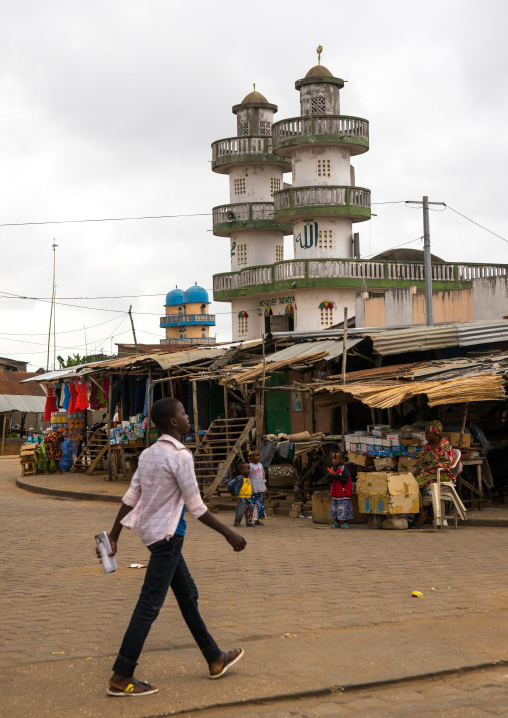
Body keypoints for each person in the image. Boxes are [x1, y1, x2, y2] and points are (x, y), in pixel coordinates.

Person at [98, 397, 246, 697]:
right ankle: (121, 675)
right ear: (173, 423)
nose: (188, 416)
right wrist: (229, 533)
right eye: (183, 413)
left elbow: (130, 497)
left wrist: (114, 536)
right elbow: (197, 507)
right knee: (148, 607)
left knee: (187, 596)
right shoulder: (181, 457)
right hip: (169, 539)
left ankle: (215, 658)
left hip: (157, 538)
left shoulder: (149, 454)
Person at [411, 420, 454, 528]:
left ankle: (422, 513)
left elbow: (447, 463)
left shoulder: (444, 445)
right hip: (428, 473)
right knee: (410, 482)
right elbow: (422, 463)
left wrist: (433, 467)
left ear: (436, 433)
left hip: (442, 473)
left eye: (428, 433)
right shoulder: (427, 447)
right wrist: (417, 471)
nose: (425, 436)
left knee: (415, 483)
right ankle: (418, 513)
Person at [326, 450, 353, 528]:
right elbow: (328, 480)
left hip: (343, 493)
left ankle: (345, 523)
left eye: (336, 459)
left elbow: (345, 479)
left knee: (344, 508)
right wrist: (330, 475)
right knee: (335, 509)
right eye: (333, 459)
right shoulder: (332, 468)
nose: (334, 461)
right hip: (335, 494)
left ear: (341, 459)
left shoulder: (344, 468)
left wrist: (336, 475)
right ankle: (337, 523)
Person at [228, 461, 254, 527]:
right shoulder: (240, 479)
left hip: (248, 497)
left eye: (249, 468)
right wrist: (236, 495)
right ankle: (237, 522)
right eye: (248, 469)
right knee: (241, 511)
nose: (249, 470)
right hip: (242, 498)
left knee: (250, 509)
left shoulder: (247, 478)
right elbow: (237, 487)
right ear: (242, 471)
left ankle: (249, 521)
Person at [248, 448, 267, 526]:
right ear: (251, 457)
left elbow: (263, 476)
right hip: (253, 489)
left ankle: (257, 520)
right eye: (256, 455)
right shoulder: (249, 466)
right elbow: (248, 478)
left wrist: (265, 485)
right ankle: (250, 520)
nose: (258, 457)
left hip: (260, 488)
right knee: (253, 504)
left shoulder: (260, 465)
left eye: (259, 455)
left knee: (259, 504)